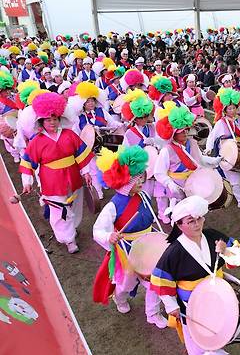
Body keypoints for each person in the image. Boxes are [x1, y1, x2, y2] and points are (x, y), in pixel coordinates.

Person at [150, 196, 240, 355]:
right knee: (197, 343)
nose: (197, 224)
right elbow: (160, 280)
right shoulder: (174, 251)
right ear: (179, 225)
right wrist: (171, 305)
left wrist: (226, 251)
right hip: (191, 306)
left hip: (219, 298)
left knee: (217, 330)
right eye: (190, 221)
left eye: (199, 219)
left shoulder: (211, 235)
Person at [91, 146, 167, 328]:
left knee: (155, 281)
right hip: (126, 250)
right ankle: (120, 299)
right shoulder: (113, 205)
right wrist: (109, 236)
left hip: (148, 245)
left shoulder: (145, 196)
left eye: (141, 176)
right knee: (125, 283)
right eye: (136, 178)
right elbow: (97, 230)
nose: (141, 180)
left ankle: (153, 313)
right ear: (125, 181)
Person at [19, 92, 94, 254]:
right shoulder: (36, 141)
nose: (52, 122)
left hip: (73, 176)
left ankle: (71, 230)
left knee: (74, 206)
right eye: (48, 119)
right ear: (41, 121)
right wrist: (27, 182)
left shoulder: (70, 135)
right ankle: (68, 239)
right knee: (60, 210)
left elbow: (80, 154)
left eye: (55, 119)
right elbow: (27, 163)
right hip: (51, 181)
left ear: (60, 119)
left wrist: (86, 172)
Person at [154, 104, 222, 222]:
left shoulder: (192, 143)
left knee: (193, 211)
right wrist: (170, 184)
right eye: (181, 131)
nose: (185, 133)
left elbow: (199, 160)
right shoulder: (167, 150)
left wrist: (213, 161)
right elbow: (158, 172)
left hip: (192, 182)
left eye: (186, 129)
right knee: (178, 213)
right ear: (173, 133)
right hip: (177, 185)